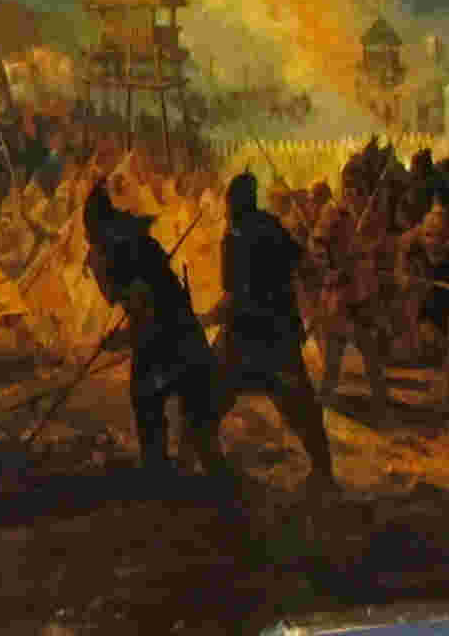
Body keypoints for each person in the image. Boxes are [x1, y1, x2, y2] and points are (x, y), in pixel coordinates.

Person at [82, 176, 225, 478]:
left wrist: (122, 339)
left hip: (173, 340)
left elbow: (149, 313)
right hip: (173, 337)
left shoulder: (119, 253)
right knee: (167, 411)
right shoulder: (126, 244)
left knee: (159, 404)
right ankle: (171, 473)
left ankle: (170, 475)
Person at [206, 170, 335, 490]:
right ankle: (323, 471)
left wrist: (206, 318)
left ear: (233, 202)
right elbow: (304, 265)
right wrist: (321, 264)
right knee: (301, 406)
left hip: (248, 334)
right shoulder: (272, 226)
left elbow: (233, 295)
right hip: (278, 333)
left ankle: (204, 466)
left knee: (208, 400)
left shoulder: (234, 236)